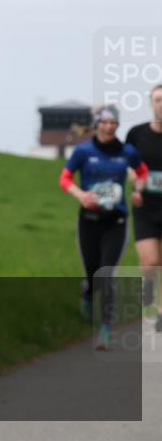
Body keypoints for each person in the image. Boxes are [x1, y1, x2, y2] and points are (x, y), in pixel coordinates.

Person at [59, 105, 149, 349]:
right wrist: (80, 195)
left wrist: (138, 190)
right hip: (88, 220)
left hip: (116, 221)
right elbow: (64, 178)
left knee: (106, 274)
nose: (110, 127)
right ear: (97, 124)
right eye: (106, 122)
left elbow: (142, 172)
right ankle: (87, 294)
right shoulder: (83, 151)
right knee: (92, 274)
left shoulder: (127, 151)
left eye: (114, 123)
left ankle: (105, 329)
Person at [126, 84, 162, 332]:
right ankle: (148, 284)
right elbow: (127, 165)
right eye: (158, 100)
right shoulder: (136, 134)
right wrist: (135, 182)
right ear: (151, 103)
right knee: (150, 262)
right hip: (146, 207)